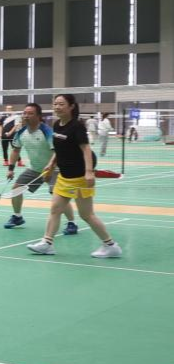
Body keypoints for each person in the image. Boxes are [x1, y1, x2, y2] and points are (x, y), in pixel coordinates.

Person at [27, 94, 121, 258]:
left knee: (86, 215)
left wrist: (89, 172)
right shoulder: (57, 125)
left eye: (61, 104)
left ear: (71, 106)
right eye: (55, 104)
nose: (57, 107)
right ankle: (47, 244)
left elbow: (86, 149)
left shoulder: (77, 127)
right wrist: (51, 164)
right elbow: (59, 149)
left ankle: (111, 246)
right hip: (64, 177)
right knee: (55, 210)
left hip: (79, 178)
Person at [4, 102, 78, 233]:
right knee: (16, 189)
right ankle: (17, 216)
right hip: (35, 168)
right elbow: (15, 150)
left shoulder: (46, 131)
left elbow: (57, 151)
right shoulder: (21, 132)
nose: (26, 116)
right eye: (25, 113)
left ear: (39, 116)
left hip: (54, 168)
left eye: (30, 113)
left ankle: (72, 223)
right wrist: (11, 169)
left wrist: (50, 167)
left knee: (59, 196)